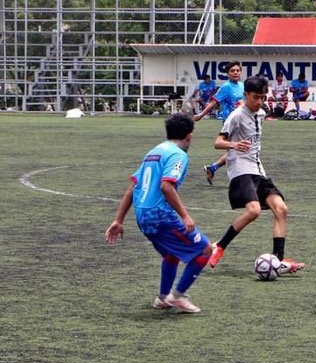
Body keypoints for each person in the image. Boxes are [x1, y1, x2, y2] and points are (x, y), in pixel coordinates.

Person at [104, 113, 214, 313]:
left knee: (172, 254)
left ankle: (163, 298)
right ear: (189, 136)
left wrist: (118, 219)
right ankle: (178, 295)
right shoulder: (178, 155)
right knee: (205, 250)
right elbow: (166, 186)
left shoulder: (153, 152)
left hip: (142, 216)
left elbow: (133, 187)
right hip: (159, 215)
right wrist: (185, 215)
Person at [207, 75, 305, 274]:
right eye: (255, 97)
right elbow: (217, 142)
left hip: (258, 169)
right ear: (246, 95)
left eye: (262, 97)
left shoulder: (261, 113)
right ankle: (220, 246)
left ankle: (277, 262)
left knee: (281, 209)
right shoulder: (236, 116)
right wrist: (234, 144)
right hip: (240, 170)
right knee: (253, 211)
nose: (259, 101)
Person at [194, 61, 244, 185]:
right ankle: (239, 180)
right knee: (239, 149)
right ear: (227, 74)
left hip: (242, 123)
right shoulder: (226, 87)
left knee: (238, 149)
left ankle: (212, 168)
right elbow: (213, 102)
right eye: (232, 71)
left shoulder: (243, 86)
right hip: (230, 123)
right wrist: (201, 115)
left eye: (238, 70)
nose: (236, 73)